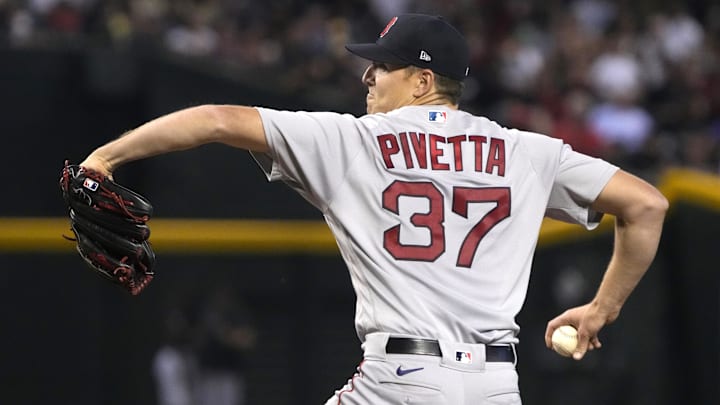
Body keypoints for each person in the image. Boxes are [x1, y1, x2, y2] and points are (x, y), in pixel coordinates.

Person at [76, 13, 668, 405]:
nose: (367, 74)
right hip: (495, 385)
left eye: (382, 65)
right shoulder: (527, 152)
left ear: (420, 80)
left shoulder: (354, 139)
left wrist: (105, 156)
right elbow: (646, 204)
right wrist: (600, 310)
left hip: (401, 381)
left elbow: (214, 120)